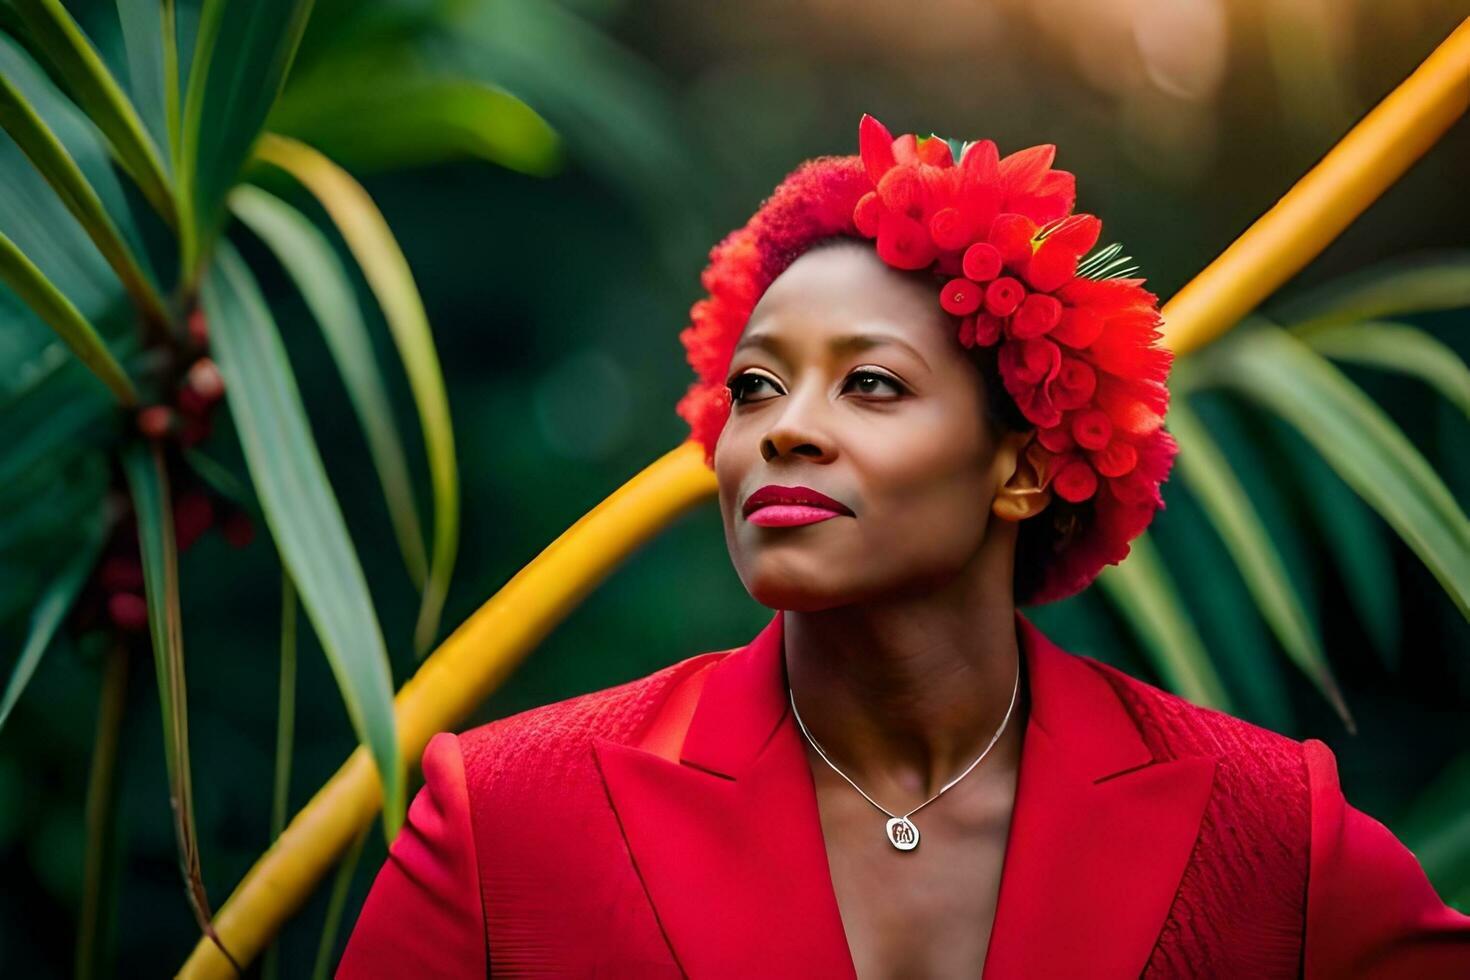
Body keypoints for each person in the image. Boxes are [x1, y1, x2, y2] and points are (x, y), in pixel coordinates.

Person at [336, 115, 1470, 978]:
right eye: (755, 385)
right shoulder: (502, 820)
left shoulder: (1270, 830)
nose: (781, 424)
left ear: (1025, 464)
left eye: (871, 382)